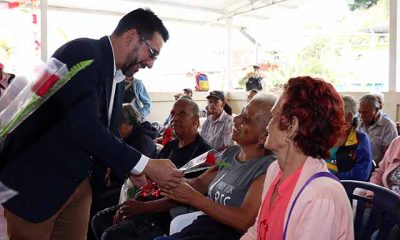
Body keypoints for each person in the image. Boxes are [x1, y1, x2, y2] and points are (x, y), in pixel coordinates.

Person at [0, 8, 183, 240]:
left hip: (77, 187)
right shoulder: (82, 52)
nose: (150, 63)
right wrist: (146, 165)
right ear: (132, 36)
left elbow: (107, 133)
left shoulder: (116, 77)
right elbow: (84, 127)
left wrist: (131, 169)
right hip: (38, 184)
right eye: (152, 53)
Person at [93, 94, 277, 240]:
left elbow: (245, 221)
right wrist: (159, 178)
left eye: (247, 118)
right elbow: (198, 182)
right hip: (203, 226)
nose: (237, 120)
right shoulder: (229, 155)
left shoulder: (266, 168)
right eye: (242, 112)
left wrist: (193, 199)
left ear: (264, 135)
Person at [241, 76, 353, 240]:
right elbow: (258, 232)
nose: (267, 125)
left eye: (274, 117)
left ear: (293, 127)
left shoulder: (321, 197)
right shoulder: (275, 170)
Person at [91, 98, 212, 240]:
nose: (174, 119)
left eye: (182, 114)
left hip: (166, 215)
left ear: (196, 120)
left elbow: (183, 197)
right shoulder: (170, 146)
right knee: (99, 220)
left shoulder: (204, 155)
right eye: (172, 114)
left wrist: (143, 207)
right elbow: (151, 181)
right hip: (147, 202)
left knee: (111, 235)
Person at [325, 95, 373, 180]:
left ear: (349, 116)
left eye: (334, 114)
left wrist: (331, 178)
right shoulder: (325, 135)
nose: (329, 118)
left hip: (347, 188)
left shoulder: (360, 139)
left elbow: (361, 175)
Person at [357, 94, 398, 165]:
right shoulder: (357, 121)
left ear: (376, 110)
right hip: (357, 166)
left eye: (365, 112)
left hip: (377, 169)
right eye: (360, 112)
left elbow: (390, 157)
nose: (361, 116)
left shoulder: (388, 126)